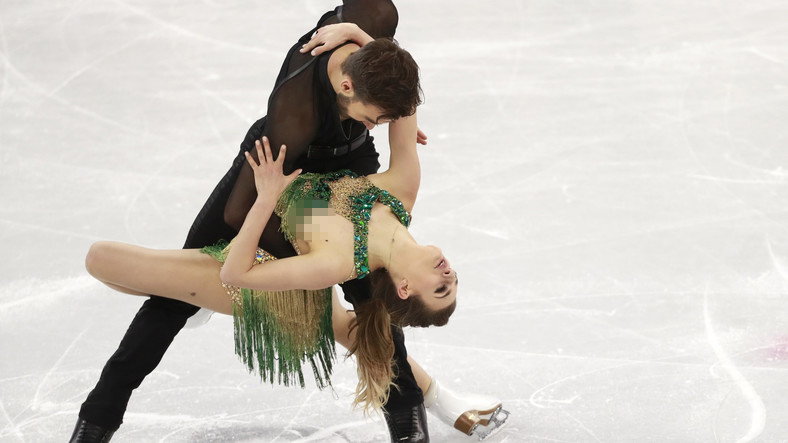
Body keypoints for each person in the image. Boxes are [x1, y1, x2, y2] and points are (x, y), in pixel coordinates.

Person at [69, 2, 507, 442]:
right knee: (171, 304)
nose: (450, 272)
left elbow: (396, 86)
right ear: (350, 84)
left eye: (441, 286)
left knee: (369, 308)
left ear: (406, 286)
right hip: (279, 167)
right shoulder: (389, 184)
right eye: (379, 116)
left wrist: (271, 197)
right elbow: (239, 214)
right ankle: (99, 418)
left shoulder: (341, 256)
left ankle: (411, 425)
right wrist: (364, 42)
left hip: (288, 200)